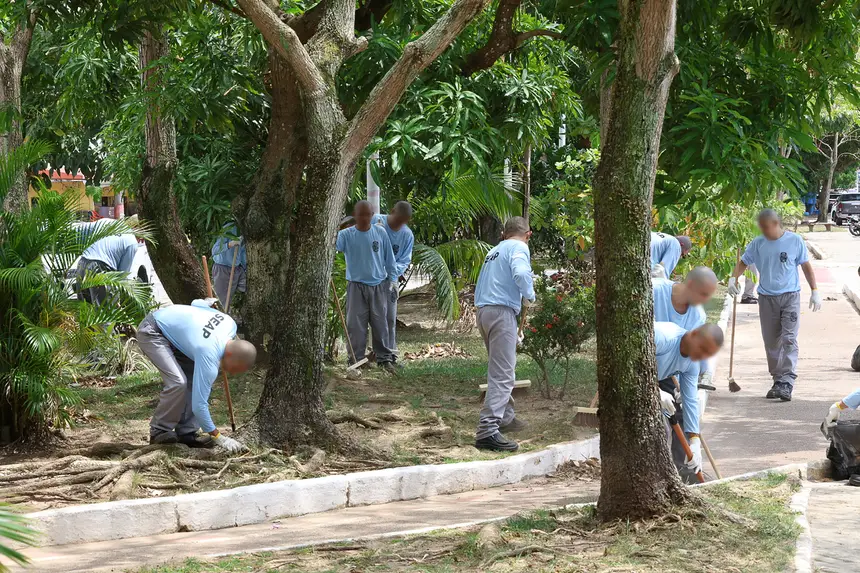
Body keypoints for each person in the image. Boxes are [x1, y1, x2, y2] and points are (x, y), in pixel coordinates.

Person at [727, 208, 821, 402]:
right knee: (771, 342)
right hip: (766, 298)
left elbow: (806, 266)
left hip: (790, 297)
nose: (764, 231)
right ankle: (777, 380)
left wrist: (815, 291)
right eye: (761, 228)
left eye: (766, 227)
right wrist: (732, 279)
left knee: (788, 338)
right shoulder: (758, 243)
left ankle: (787, 380)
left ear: (776, 224)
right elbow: (744, 262)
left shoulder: (795, 241)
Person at [138, 300, 256, 451]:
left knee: (194, 381)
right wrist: (218, 437)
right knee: (178, 382)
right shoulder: (209, 355)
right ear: (230, 354)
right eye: (235, 368)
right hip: (153, 331)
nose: (232, 373)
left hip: (178, 338)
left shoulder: (229, 322)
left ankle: (187, 434)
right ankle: (159, 431)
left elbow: (196, 304)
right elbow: (199, 406)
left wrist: (205, 303)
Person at [473, 217, 536, 452]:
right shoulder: (519, 247)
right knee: (503, 375)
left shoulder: (494, 251)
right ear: (528, 235)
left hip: (485, 312)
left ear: (503, 233)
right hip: (501, 312)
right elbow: (520, 274)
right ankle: (487, 431)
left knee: (499, 368)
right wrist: (529, 296)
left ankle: (506, 417)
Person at [655, 321, 724, 482]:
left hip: (651, 382)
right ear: (693, 335)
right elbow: (632, 363)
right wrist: (656, 391)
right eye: (703, 349)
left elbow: (690, 400)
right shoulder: (664, 338)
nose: (702, 357)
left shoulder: (693, 363)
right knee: (659, 429)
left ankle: (679, 475)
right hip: (626, 378)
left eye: (708, 354)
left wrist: (694, 440)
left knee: (674, 420)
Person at [336, 200, 399, 372]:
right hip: (356, 286)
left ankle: (385, 359)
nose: (364, 218)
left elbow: (389, 259)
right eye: (361, 214)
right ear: (354, 216)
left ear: (372, 215)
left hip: (379, 285)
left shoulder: (380, 233)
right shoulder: (346, 235)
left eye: (368, 214)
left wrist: (393, 280)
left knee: (381, 323)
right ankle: (356, 359)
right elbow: (331, 248)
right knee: (355, 325)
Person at [652, 266, 719, 386]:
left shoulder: (698, 316)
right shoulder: (654, 290)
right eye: (703, 294)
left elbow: (687, 355)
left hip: (666, 373)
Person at [372, 201, 415, 359]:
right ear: (391, 211)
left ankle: (390, 354)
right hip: (369, 279)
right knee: (366, 317)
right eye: (397, 219)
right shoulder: (376, 221)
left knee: (389, 318)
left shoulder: (407, 235)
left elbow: (404, 260)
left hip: (390, 281)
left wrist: (390, 271)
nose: (398, 224)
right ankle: (361, 355)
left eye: (403, 221)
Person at [75, 233, 138, 305]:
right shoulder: (132, 243)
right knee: (105, 311)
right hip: (99, 268)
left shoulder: (117, 233)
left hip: (82, 263)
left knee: (84, 308)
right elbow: (122, 274)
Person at [211, 222, 246, 308]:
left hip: (237, 268)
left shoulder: (246, 230)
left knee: (245, 288)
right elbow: (215, 250)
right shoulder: (229, 228)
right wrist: (230, 244)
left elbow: (243, 254)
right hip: (222, 268)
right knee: (222, 301)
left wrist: (245, 268)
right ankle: (220, 317)